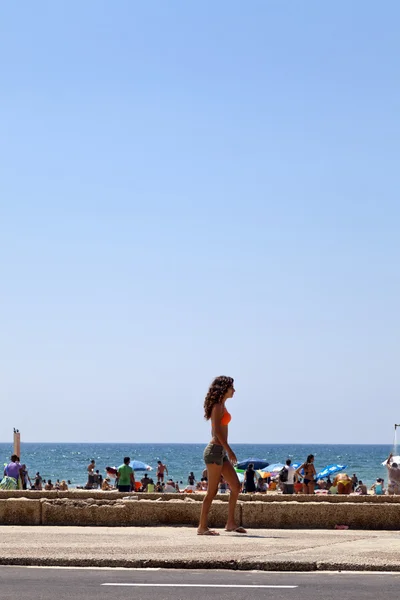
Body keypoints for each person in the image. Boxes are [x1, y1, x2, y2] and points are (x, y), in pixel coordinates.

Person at [198, 376, 246, 536]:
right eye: (232, 387)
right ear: (224, 389)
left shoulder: (222, 406)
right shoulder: (218, 406)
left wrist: (226, 451)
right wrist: (230, 450)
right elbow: (217, 432)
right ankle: (202, 527)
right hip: (214, 451)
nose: (234, 390)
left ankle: (230, 523)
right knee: (212, 491)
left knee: (236, 486)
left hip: (220, 452)